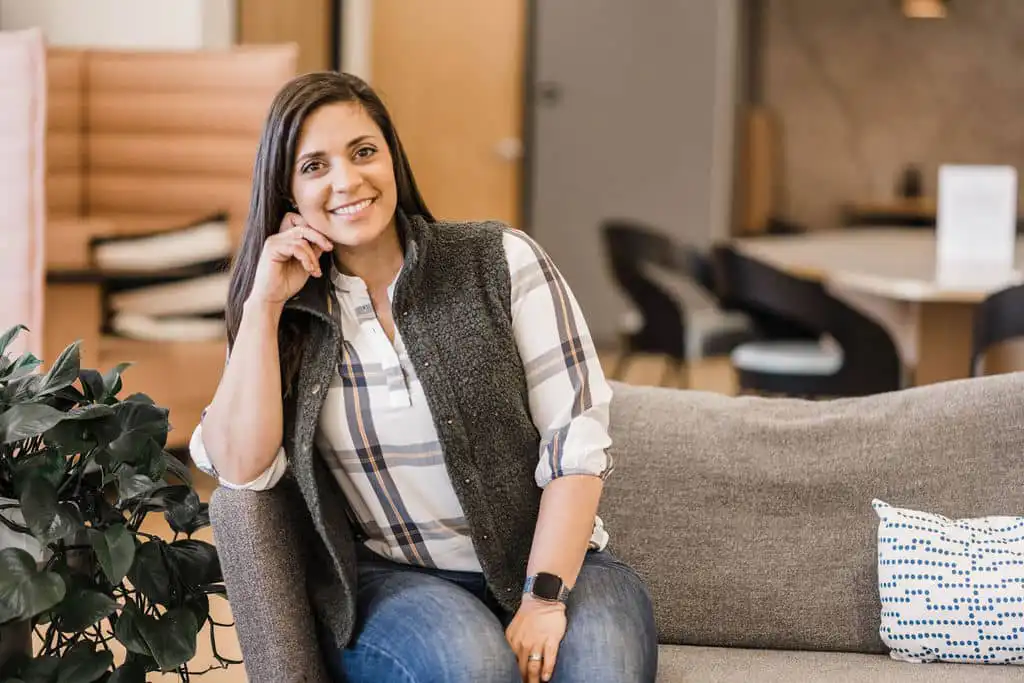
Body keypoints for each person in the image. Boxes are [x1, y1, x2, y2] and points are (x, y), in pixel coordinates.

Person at [190, 70, 658, 683]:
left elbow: (575, 444)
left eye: (363, 152)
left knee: (603, 670)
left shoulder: (500, 260)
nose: (347, 181)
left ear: (392, 158)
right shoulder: (286, 318)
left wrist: (542, 598)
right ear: (286, 195)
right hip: (398, 581)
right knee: (472, 664)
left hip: (555, 566)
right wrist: (262, 306)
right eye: (314, 166)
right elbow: (242, 467)